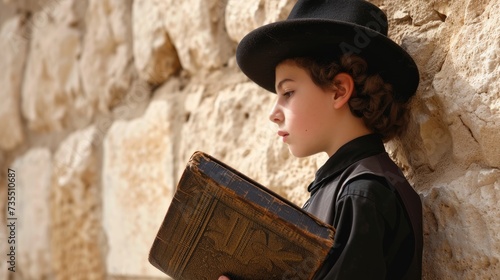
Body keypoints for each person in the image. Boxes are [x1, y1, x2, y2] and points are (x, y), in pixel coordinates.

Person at [220, 0, 423, 279]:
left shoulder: (362, 194)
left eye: (288, 93)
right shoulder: (342, 188)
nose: (273, 114)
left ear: (339, 90)